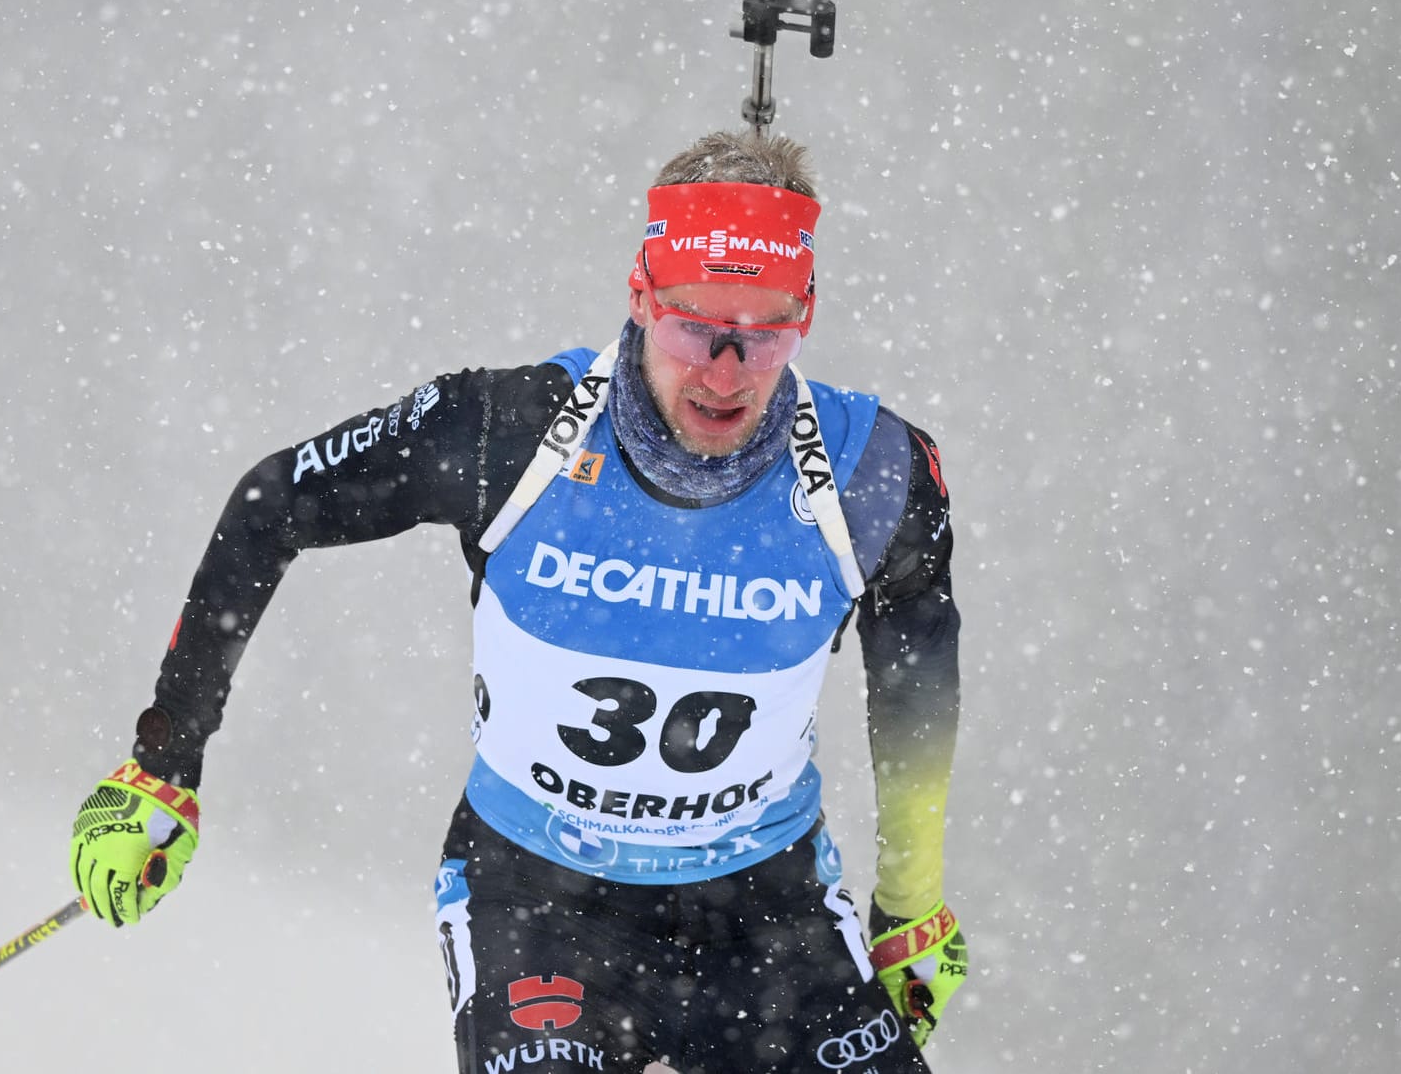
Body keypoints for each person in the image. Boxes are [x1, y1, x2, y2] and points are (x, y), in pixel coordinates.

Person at [67, 130, 968, 1073]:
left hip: (764, 914)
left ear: (806, 315)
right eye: (695, 326)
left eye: (767, 331)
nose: (728, 370)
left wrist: (912, 903)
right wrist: (164, 762)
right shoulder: (512, 431)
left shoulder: (876, 474)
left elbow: (917, 687)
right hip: (541, 905)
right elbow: (272, 503)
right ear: (640, 297)